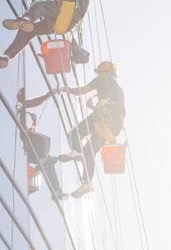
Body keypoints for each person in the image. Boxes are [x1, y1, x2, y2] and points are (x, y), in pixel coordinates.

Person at [25, 61, 125, 197]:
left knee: (74, 133)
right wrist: (90, 105)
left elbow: (82, 92)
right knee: (89, 152)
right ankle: (87, 183)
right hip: (113, 128)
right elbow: (115, 107)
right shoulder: (114, 87)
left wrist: (67, 89)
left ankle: (76, 152)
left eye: (102, 70)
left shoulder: (102, 81)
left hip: (104, 120)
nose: (100, 72)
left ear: (107, 71)